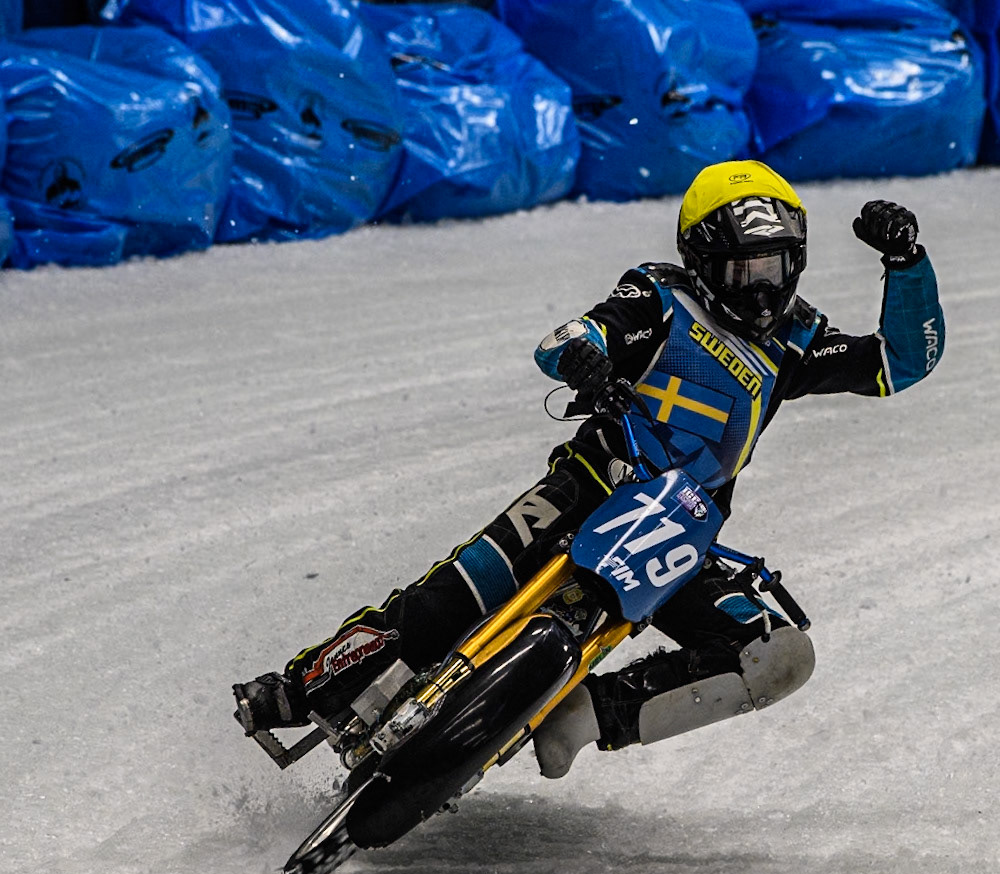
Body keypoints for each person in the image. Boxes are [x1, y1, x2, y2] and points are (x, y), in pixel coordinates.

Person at [233, 159, 945, 778]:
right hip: (591, 485)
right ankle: (301, 685)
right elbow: (570, 334)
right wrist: (585, 357)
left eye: (777, 268)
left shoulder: (797, 340)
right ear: (701, 259)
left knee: (775, 654)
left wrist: (906, 262)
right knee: (456, 592)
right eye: (743, 271)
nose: (761, 292)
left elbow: (900, 363)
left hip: (675, 532)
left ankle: (585, 713)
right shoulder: (659, 295)